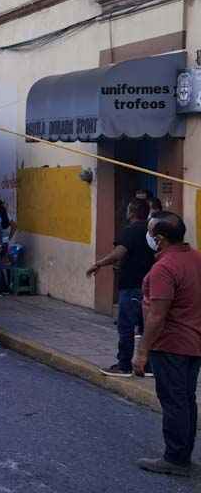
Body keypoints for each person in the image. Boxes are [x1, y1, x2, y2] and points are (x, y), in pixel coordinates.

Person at [133, 212, 201, 477]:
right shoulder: (195, 258)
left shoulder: (164, 268)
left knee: (174, 401)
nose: (149, 237)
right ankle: (182, 454)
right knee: (185, 399)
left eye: (151, 233)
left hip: (171, 344)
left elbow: (157, 315)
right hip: (193, 342)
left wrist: (142, 352)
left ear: (160, 239)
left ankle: (175, 458)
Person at [86, 198, 155, 377]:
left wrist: (99, 264)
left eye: (128, 209)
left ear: (132, 212)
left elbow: (118, 253)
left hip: (132, 285)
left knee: (126, 327)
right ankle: (148, 366)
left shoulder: (130, 230)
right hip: (150, 286)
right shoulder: (152, 231)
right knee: (147, 327)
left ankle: (124, 365)